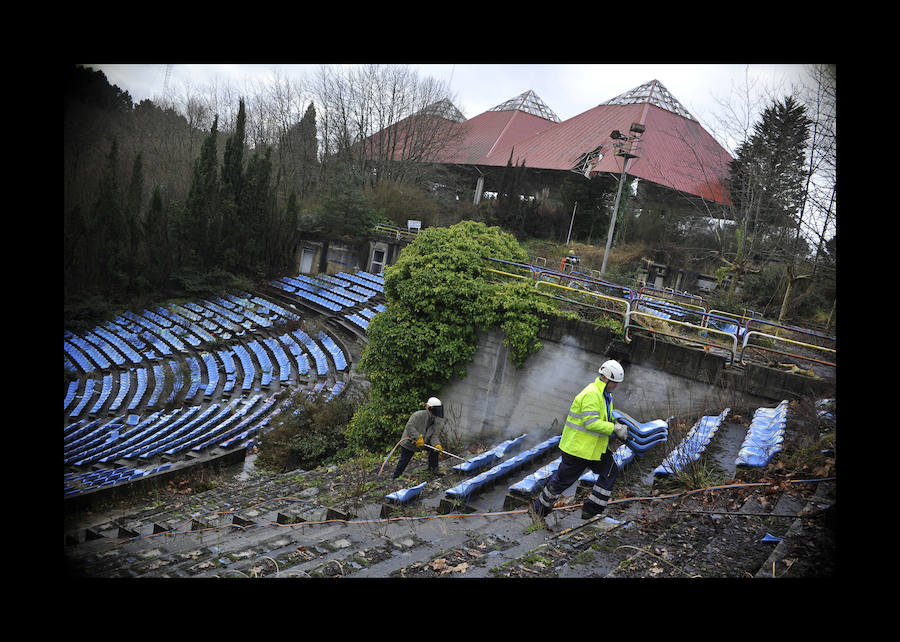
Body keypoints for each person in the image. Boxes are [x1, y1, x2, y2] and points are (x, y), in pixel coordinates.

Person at [532, 360, 630, 523]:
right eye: (614, 382)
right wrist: (613, 428)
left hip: (593, 449)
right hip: (577, 450)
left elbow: (607, 417)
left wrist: (618, 424)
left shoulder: (606, 396)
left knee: (610, 471)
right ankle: (538, 511)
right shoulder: (591, 394)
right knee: (562, 481)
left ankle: (591, 511)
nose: (616, 386)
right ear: (605, 378)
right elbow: (591, 422)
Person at [392, 397, 446, 479]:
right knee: (404, 461)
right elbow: (409, 427)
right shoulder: (418, 415)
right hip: (410, 442)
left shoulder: (435, 421)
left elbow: (434, 435)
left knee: (434, 451)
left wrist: (436, 444)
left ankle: (433, 470)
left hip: (424, 442)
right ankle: (395, 477)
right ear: (430, 408)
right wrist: (418, 437)